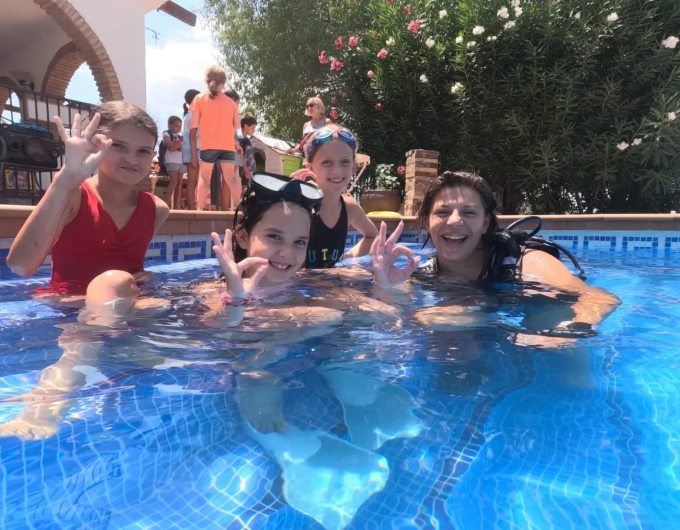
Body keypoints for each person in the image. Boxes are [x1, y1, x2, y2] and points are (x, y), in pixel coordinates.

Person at [370, 170, 620, 344]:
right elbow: (393, 321)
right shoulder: (420, 274)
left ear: (485, 223)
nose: (454, 221)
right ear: (427, 221)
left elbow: (601, 298)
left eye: (469, 212)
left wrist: (563, 333)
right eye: (443, 212)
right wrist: (383, 285)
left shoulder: (525, 263)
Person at [7, 102, 170, 300]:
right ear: (94, 144)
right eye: (118, 146)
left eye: (143, 151)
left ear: (153, 155)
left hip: (130, 308)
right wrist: (65, 179)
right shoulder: (73, 197)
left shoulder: (156, 209)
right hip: (72, 309)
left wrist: (137, 279)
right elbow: (21, 266)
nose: (132, 160)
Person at [290, 125, 378, 268]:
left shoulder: (349, 208)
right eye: (327, 162)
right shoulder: (301, 205)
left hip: (332, 280)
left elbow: (372, 236)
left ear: (353, 167)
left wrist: (348, 258)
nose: (337, 170)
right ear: (310, 167)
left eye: (344, 162)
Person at [190, 65, 243, 211]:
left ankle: (200, 210)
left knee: (204, 177)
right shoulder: (230, 102)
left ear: (206, 81)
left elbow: (194, 123)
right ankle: (239, 207)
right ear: (223, 83)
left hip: (208, 144)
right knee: (231, 178)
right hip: (227, 145)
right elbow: (237, 125)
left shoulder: (199, 98)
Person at [182, 89, 200, 210]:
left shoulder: (191, 114)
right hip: (192, 150)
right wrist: (194, 156)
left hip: (193, 150)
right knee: (192, 181)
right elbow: (192, 136)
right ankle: (191, 209)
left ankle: (193, 206)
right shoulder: (192, 115)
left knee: (194, 181)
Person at [163, 115, 185, 209]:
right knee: (173, 181)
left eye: (180, 126)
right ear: (169, 125)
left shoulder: (179, 136)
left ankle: (176, 206)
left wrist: (176, 145)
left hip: (180, 161)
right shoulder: (166, 134)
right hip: (171, 161)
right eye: (176, 126)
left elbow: (181, 149)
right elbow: (171, 148)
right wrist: (178, 143)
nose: (178, 128)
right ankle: (166, 205)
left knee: (179, 183)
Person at [237, 113, 257, 189]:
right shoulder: (241, 139)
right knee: (242, 190)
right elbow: (240, 155)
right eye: (253, 128)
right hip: (244, 172)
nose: (254, 130)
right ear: (246, 126)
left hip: (248, 171)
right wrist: (246, 170)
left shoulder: (247, 139)